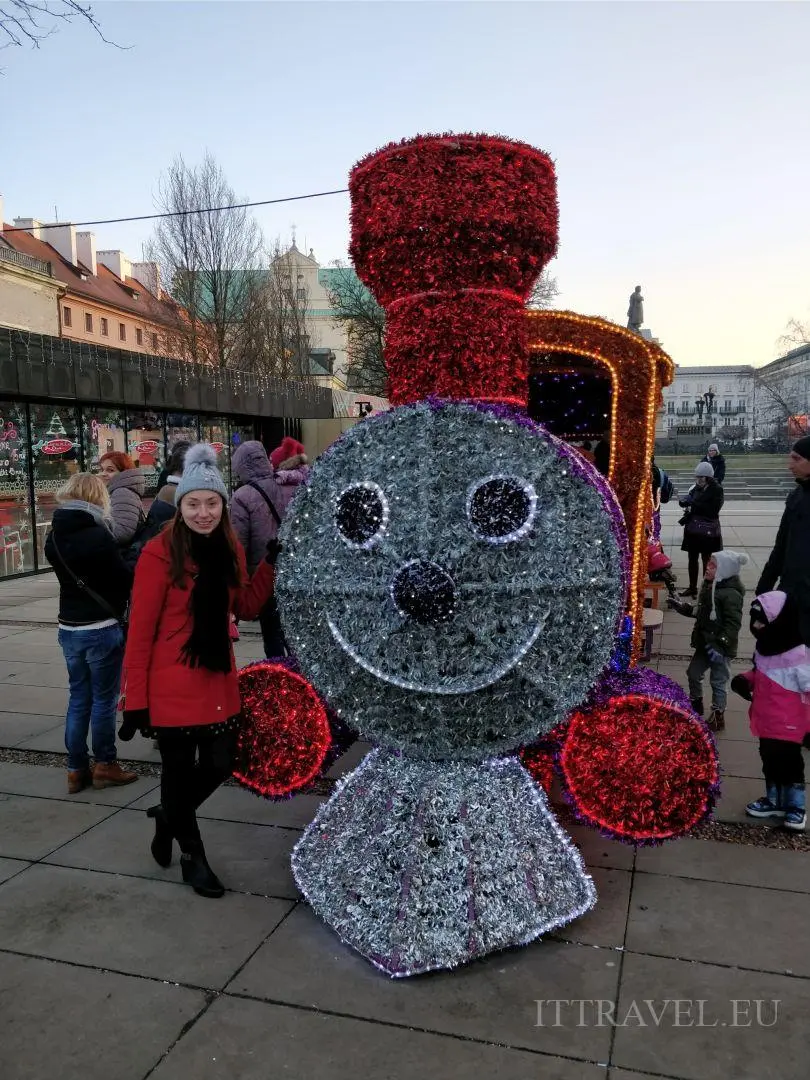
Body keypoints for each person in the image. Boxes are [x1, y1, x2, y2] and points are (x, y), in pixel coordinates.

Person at [119, 444, 278, 898]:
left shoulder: (227, 551)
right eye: (194, 503)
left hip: (215, 681)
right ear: (180, 504)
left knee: (221, 762)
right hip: (169, 686)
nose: (204, 512)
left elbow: (245, 606)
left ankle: (170, 814)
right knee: (176, 769)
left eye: (212, 503)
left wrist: (270, 562)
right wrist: (135, 700)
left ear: (223, 505)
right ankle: (193, 856)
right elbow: (140, 633)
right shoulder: (157, 554)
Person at [44, 473, 137, 794]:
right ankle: (106, 765)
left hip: (68, 626)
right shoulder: (98, 535)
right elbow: (124, 580)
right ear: (97, 497)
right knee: (103, 700)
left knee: (78, 698)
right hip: (101, 627)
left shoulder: (53, 535)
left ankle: (75, 768)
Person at [735, 592, 809, 831]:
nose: (756, 627)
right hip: (765, 721)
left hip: (789, 725)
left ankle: (796, 806)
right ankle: (774, 799)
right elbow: (762, 674)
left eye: (762, 622)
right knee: (769, 761)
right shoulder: (764, 649)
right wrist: (746, 680)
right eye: (754, 621)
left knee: (790, 765)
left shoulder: (799, 658)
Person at [230, 437, 309, 657]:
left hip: (264, 574)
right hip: (297, 571)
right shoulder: (291, 486)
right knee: (297, 633)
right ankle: (302, 677)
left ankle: (279, 680)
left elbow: (239, 544)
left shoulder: (242, 496)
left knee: (272, 634)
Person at [668, 550, 748, 732]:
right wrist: (684, 608)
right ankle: (696, 704)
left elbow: (733, 624)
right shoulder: (709, 586)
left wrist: (721, 645)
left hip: (720, 648)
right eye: (709, 564)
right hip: (705, 643)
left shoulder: (730, 594)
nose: (707, 568)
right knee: (693, 673)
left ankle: (718, 715)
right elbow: (701, 612)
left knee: (718, 681)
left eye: (713, 566)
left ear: (725, 570)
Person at [756, 436, 810, 648]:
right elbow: (780, 549)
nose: (790, 465)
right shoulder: (796, 496)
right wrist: (763, 591)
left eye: (796, 459)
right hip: (788, 593)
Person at [677, 461, 724, 598]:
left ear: (708, 477)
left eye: (701, 478)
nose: (698, 480)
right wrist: (684, 501)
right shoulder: (696, 487)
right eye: (696, 477)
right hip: (693, 529)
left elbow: (713, 510)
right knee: (692, 558)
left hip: (707, 530)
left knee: (706, 559)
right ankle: (692, 588)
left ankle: (706, 589)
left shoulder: (716, 489)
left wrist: (694, 503)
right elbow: (690, 498)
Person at [98, 451, 145, 545]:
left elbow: (122, 532)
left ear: (124, 472)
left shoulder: (122, 492)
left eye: (110, 470)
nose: (103, 474)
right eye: (102, 469)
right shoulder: (116, 490)